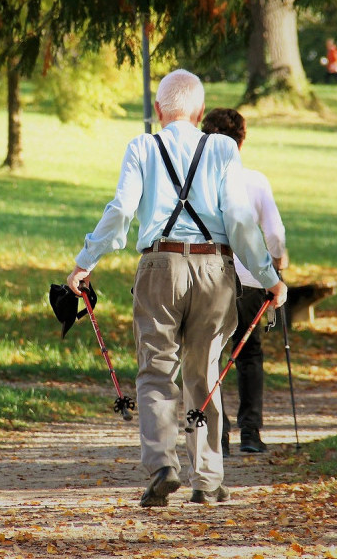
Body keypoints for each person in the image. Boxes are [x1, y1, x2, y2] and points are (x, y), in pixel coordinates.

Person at [66, 69, 287, 508]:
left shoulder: (142, 146)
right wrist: (269, 277)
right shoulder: (223, 148)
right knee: (204, 374)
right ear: (200, 112)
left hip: (159, 265)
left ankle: (163, 466)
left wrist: (84, 263)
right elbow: (241, 222)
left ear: (158, 111)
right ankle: (208, 479)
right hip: (214, 268)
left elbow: (121, 210)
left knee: (155, 370)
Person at [200, 108, 287, 456]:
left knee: (211, 353)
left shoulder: (199, 182)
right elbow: (275, 232)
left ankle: (218, 435)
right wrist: (278, 262)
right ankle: (250, 432)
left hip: (210, 276)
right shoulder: (254, 181)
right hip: (252, 278)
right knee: (249, 354)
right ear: (242, 140)